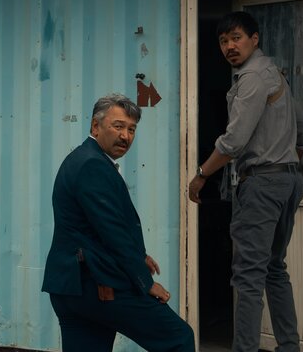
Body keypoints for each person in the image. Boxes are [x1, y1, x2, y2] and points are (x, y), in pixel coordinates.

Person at [188, 11, 303, 352]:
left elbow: (234, 141)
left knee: (249, 276)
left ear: (254, 39)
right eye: (223, 41)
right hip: (287, 181)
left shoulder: (253, 77)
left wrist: (201, 175)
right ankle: (289, 347)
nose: (229, 46)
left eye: (236, 38)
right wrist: (286, 164)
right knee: (274, 268)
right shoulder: (273, 73)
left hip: (263, 184)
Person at [43, 94, 195, 352]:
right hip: (96, 283)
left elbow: (96, 225)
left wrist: (140, 255)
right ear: (95, 126)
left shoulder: (82, 158)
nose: (125, 136)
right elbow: (112, 231)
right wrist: (146, 282)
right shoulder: (93, 165)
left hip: (70, 287)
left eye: (131, 129)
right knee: (178, 337)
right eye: (118, 126)